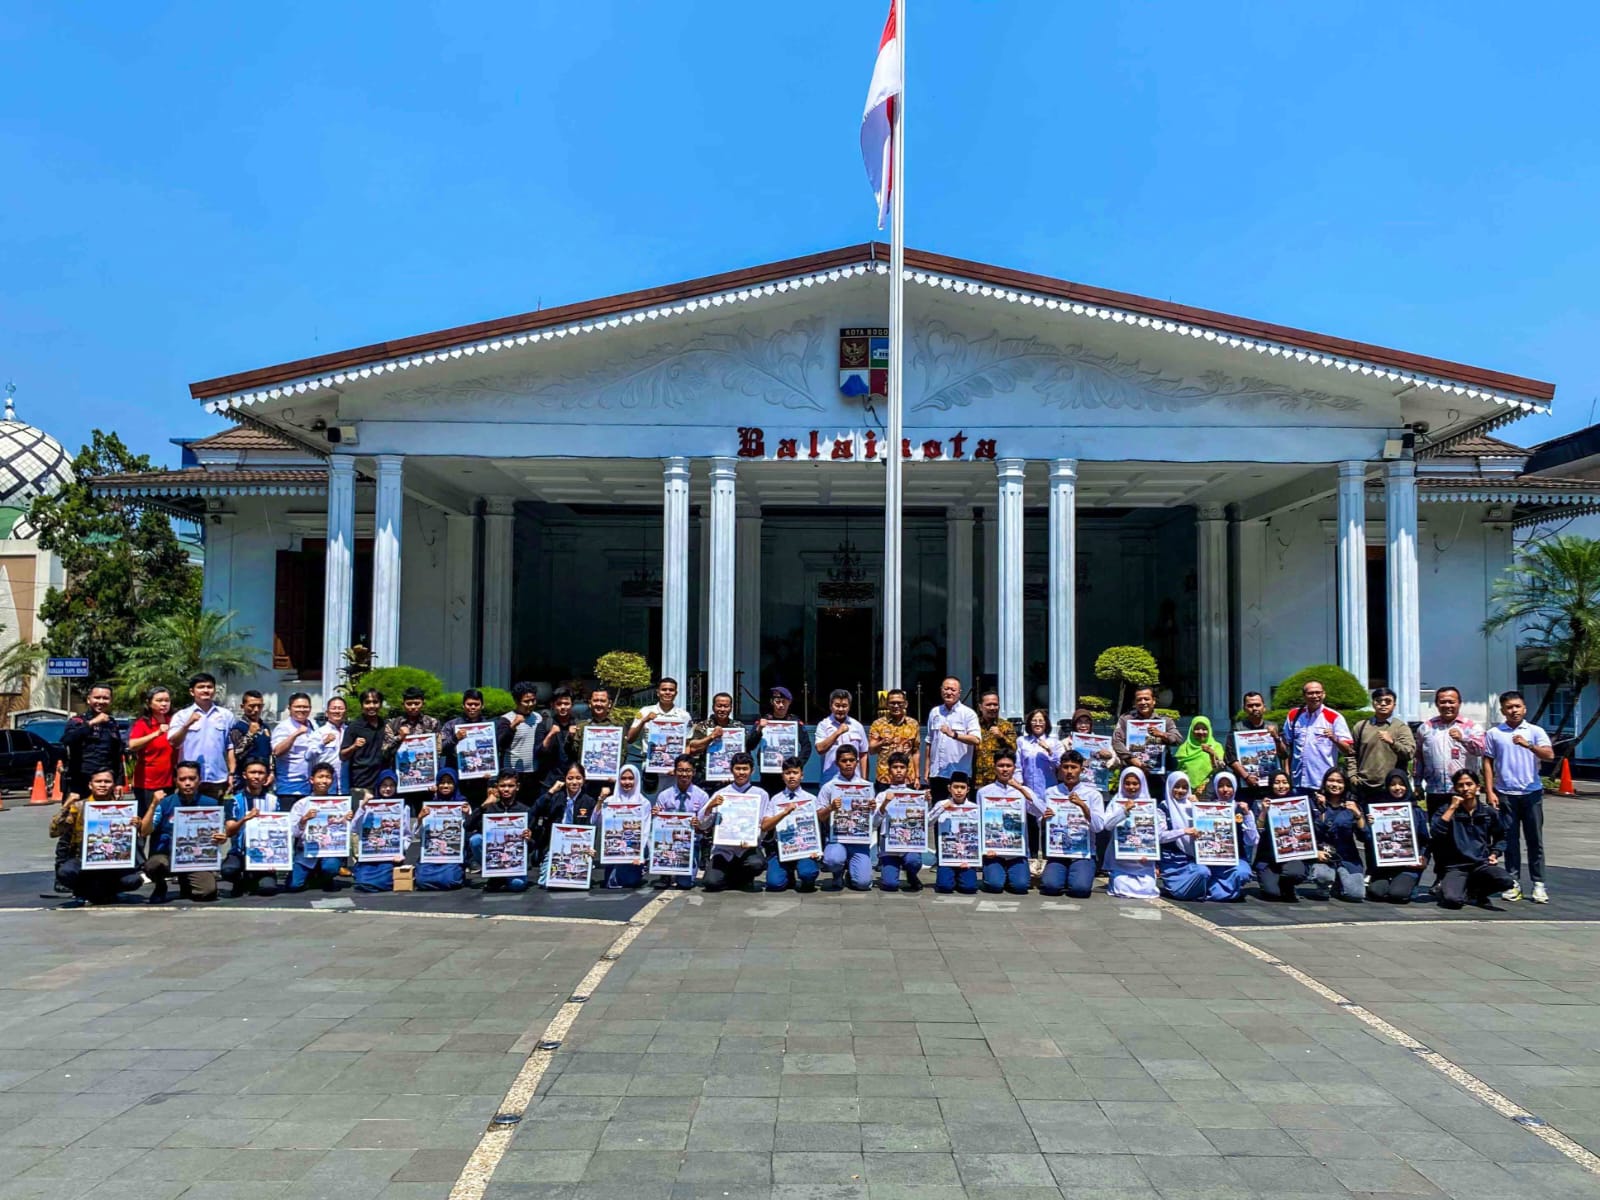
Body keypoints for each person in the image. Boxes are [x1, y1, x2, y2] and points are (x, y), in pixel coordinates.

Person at [1482, 690, 1554, 903]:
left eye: (1517, 706)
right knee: (1510, 840)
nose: (1513, 711)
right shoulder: (1495, 733)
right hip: (1506, 794)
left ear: (1524, 708)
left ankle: (1539, 884)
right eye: (1509, 707)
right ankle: (1513, 883)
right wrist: (1489, 790)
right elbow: (1487, 762)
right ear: (1503, 710)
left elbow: (1549, 755)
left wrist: (1529, 745)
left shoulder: (1535, 731)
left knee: (1535, 840)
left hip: (1531, 793)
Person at [52, 768, 144, 904]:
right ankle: (81, 890)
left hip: (113, 862)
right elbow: (54, 831)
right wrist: (66, 805)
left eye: (107, 782)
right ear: (90, 785)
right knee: (66, 872)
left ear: (113, 785)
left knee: (134, 880)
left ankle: (110, 891)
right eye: (98, 781)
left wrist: (138, 825)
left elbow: (137, 837)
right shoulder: (78, 807)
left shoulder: (123, 809)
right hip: (82, 860)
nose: (102, 785)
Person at [140, 760, 224, 903]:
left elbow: (218, 835)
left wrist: (221, 838)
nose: (187, 783)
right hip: (166, 856)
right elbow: (144, 832)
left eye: (192, 778)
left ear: (199, 780)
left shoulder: (211, 804)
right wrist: (153, 804)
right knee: (154, 864)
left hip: (195, 859)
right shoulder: (165, 803)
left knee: (207, 892)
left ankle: (186, 881)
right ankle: (160, 886)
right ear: (175, 780)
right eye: (182, 779)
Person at [1432, 770, 1513, 909]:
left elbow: (1501, 837)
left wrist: (1495, 853)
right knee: (1453, 901)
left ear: (1478, 787)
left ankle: (1474, 893)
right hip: (1455, 866)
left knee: (1506, 881)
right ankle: (1447, 887)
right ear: (1455, 789)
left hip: (1480, 863)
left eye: (1469, 784)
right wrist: (1452, 807)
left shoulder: (1488, 812)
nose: (1465, 789)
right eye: (1460, 785)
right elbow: (1436, 832)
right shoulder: (1446, 810)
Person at [698, 752, 768, 892]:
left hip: (747, 848)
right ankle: (732, 878)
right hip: (723, 850)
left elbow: (763, 825)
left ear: (752, 771)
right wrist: (710, 807)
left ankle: (742, 877)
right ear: (731, 770)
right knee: (711, 883)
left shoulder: (760, 794)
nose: (741, 772)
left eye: (745, 769)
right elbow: (702, 824)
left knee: (757, 864)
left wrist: (753, 838)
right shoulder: (721, 793)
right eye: (738, 768)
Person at [1039, 750, 1100, 899]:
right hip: (1058, 851)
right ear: (1060, 769)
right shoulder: (1050, 792)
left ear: (1082, 770)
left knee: (1080, 890)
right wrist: (1043, 819)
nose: (1069, 771)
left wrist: (1084, 807)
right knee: (1050, 886)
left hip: (1083, 853)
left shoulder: (1092, 794)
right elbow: (1040, 823)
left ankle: (1076, 873)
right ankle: (1063, 874)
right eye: (1066, 767)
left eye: (1074, 767)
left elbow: (1098, 827)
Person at [1416, 686, 1485, 810]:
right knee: (1438, 828)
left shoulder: (1472, 727)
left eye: (1451, 702)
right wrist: (1417, 784)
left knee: (1466, 828)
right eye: (1443, 702)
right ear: (1436, 704)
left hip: (1464, 791)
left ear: (1459, 703)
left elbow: (1481, 750)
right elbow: (1419, 758)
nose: (1447, 705)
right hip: (1435, 790)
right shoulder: (1426, 728)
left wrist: (1463, 739)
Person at [816, 744, 874, 891]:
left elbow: (873, 821)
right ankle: (837, 872)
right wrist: (831, 808)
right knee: (832, 860)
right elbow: (819, 817)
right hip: (837, 838)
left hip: (859, 840)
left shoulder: (866, 787)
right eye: (844, 760)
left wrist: (873, 809)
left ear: (856, 762)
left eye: (851, 760)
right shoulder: (829, 787)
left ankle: (851, 872)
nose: (848, 764)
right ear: (837, 763)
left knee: (863, 884)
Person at [1365, 769, 1429, 904]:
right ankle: (1387, 881)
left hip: (1408, 866)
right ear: (1387, 787)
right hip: (1385, 866)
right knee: (1375, 892)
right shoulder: (1378, 811)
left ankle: (1411, 885)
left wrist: (1423, 858)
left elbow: (1425, 840)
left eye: (1401, 784)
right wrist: (1370, 825)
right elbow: (1366, 839)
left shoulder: (1416, 811)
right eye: (1393, 784)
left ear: (1407, 786)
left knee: (1398, 894)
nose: (1397, 788)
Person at [169, 673, 235, 797]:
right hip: (189, 780)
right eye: (201, 687)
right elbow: (174, 742)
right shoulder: (182, 715)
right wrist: (186, 725)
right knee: (187, 815)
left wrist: (231, 774)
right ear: (192, 691)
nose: (205, 690)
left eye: (209, 687)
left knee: (217, 815)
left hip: (217, 779)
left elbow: (230, 747)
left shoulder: (226, 715)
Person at [221, 757, 279, 897]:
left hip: (265, 853)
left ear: (266, 776)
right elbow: (229, 831)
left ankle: (256, 878)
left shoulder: (273, 800)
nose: (257, 776)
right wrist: (245, 819)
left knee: (268, 889)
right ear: (245, 775)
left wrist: (278, 858)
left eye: (260, 773)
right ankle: (241, 881)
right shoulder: (234, 800)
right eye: (253, 772)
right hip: (240, 851)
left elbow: (280, 830)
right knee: (228, 870)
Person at [762, 756, 821, 892]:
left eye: (795, 772)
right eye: (787, 773)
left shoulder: (811, 799)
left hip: (805, 849)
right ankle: (788, 875)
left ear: (802, 775)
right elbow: (765, 826)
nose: (791, 776)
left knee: (808, 873)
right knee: (774, 884)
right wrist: (784, 813)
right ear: (782, 776)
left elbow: (819, 827)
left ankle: (808, 879)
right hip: (782, 848)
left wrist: (816, 850)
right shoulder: (775, 799)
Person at [976, 749, 1032, 895]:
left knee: (1020, 887)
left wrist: (1020, 788)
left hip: (1017, 852)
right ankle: (997, 873)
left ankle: (1011, 874)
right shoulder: (984, 792)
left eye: (1008, 765)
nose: (1005, 769)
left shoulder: (1023, 791)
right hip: (994, 852)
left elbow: (1041, 811)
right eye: (1001, 765)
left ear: (1014, 768)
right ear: (994, 767)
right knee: (995, 886)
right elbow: (979, 822)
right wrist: (983, 850)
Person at [469, 771, 535, 892]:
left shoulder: (525, 810)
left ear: (517, 787)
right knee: (475, 840)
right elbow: (467, 826)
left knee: (517, 885)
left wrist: (528, 838)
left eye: (510, 786)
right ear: (497, 787)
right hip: (495, 854)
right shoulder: (490, 808)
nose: (506, 789)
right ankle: (495, 875)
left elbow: (533, 846)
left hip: (515, 861)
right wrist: (483, 806)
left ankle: (500, 878)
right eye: (502, 786)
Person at [1102, 767, 1161, 899]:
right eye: (1127, 783)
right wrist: (1123, 811)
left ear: (1142, 784)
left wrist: (1152, 854)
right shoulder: (1116, 801)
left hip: (1143, 860)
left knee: (1148, 887)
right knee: (1121, 885)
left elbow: (1156, 832)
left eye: (1135, 783)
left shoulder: (1149, 803)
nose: (1131, 787)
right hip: (1121, 860)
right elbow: (1107, 825)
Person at [286, 762, 347, 892]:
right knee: (294, 886)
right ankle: (312, 876)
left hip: (330, 850)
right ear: (312, 780)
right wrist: (303, 820)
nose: (324, 781)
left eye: (328, 777)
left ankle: (325, 877)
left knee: (330, 868)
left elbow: (346, 831)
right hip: (307, 851)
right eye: (321, 777)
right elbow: (292, 833)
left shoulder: (339, 804)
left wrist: (347, 820)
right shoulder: (301, 804)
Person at [1284, 679, 1353, 792]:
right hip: (1297, 781)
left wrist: (1335, 739)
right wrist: (1287, 773)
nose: (1315, 696)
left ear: (1324, 694)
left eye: (1318, 692)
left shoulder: (1334, 717)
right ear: (1304, 696)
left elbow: (1348, 750)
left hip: (1322, 783)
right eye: (1310, 693)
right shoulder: (1294, 715)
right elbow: (1287, 747)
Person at [1253, 770, 1312, 901]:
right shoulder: (1263, 803)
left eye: (1285, 782)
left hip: (1291, 856)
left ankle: (1288, 884)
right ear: (1271, 785)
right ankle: (1274, 882)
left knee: (1295, 873)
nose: (1281, 786)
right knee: (1272, 893)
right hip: (1268, 858)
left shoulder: (1299, 804)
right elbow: (1258, 830)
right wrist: (1263, 811)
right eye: (1277, 783)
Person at [1351, 688, 1417, 803]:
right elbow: (1350, 753)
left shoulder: (1401, 728)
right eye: (1378, 701)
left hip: (1392, 787)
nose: (1383, 704)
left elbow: (1409, 753)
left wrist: (1392, 742)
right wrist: (1352, 775)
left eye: (1388, 701)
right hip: (1364, 785)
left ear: (1394, 704)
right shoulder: (1361, 727)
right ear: (1373, 703)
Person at [873, 751, 927, 892]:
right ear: (889, 770)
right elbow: (874, 824)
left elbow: (925, 823)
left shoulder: (916, 796)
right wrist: (884, 804)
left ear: (907, 770)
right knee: (890, 885)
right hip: (889, 846)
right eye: (895, 767)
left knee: (913, 861)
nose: (898, 770)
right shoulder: (882, 795)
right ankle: (891, 869)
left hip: (909, 844)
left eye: (902, 767)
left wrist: (927, 802)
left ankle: (911, 873)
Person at [536, 763, 601, 880]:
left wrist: (590, 847)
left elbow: (591, 828)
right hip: (556, 847)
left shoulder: (589, 801)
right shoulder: (556, 798)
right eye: (570, 778)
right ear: (564, 779)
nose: (574, 782)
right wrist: (551, 791)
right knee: (547, 880)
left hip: (579, 849)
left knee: (577, 878)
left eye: (578, 778)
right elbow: (536, 810)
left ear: (584, 780)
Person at [651, 755, 708, 889]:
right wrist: (655, 815)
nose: (684, 774)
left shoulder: (702, 796)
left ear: (693, 772)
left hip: (691, 843)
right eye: (680, 770)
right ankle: (665, 873)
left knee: (685, 883)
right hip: (668, 843)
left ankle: (686, 869)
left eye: (688, 770)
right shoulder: (664, 795)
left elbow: (704, 827)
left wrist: (698, 823)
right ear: (675, 772)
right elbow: (657, 825)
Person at [1309, 767, 1365, 902]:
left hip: (1347, 856)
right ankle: (1324, 884)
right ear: (1324, 782)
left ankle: (1339, 882)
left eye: (1339, 782)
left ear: (1345, 784)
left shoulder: (1352, 805)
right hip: (1323, 853)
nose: (1335, 785)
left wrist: (1358, 814)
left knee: (1356, 895)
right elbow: (1313, 831)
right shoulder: (1314, 803)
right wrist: (1321, 809)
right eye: (1331, 781)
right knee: (1323, 876)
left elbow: (1364, 836)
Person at [746, 685, 813, 792]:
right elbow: (749, 745)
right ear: (772, 702)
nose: (781, 705)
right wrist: (759, 730)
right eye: (777, 701)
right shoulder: (764, 720)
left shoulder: (795, 722)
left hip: (789, 772)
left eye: (784, 701)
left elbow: (807, 746)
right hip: (768, 772)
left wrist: (797, 764)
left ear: (789, 702)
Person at [352, 770, 410, 892]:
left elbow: (406, 835)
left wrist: (401, 851)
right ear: (378, 786)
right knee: (362, 882)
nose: (388, 789)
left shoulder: (403, 807)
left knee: (381, 881)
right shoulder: (368, 805)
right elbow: (355, 828)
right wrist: (362, 807)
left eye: (391, 785)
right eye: (384, 785)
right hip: (370, 856)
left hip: (390, 856)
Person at [924, 676, 980, 802]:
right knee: (938, 810)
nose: (949, 692)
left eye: (953, 690)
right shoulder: (935, 712)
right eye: (946, 689)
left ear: (959, 693)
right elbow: (929, 742)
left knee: (958, 813)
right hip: (937, 773)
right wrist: (927, 768)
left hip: (959, 773)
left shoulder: (968, 713)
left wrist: (954, 735)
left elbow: (976, 739)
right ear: (941, 690)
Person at [1111, 688, 1180, 789]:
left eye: (1146, 699)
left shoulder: (1165, 721)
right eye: (1139, 699)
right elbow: (1116, 741)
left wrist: (1162, 734)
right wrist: (1131, 759)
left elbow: (1177, 739)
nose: (1143, 702)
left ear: (1154, 700)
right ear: (1135, 702)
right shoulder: (1126, 719)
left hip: (1157, 775)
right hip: (1132, 775)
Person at [62, 682, 123, 797]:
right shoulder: (77, 721)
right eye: (97, 697)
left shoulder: (112, 723)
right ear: (89, 699)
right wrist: (92, 723)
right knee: (74, 814)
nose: (100, 701)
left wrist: (119, 782)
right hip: (80, 780)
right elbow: (67, 740)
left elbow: (117, 755)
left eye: (105, 698)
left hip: (105, 781)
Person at [627, 677, 687, 793]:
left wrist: (680, 766)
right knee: (649, 804)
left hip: (673, 769)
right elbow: (630, 738)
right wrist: (644, 720)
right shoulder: (644, 711)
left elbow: (687, 744)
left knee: (670, 804)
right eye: (664, 689)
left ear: (676, 693)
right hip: (650, 767)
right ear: (658, 692)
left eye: (671, 690)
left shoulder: (683, 715)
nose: (667, 692)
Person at [126, 686, 175, 820]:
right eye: (159, 700)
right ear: (149, 703)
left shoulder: (174, 721)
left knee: (165, 821)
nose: (164, 704)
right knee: (146, 819)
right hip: (148, 782)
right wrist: (157, 733)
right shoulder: (142, 723)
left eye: (167, 700)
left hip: (170, 780)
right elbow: (132, 745)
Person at [416, 768, 468, 891]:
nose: (445, 785)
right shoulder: (430, 805)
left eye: (449, 782)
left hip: (452, 857)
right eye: (442, 782)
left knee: (450, 880)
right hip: (432, 856)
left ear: (455, 784)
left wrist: (468, 815)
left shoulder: (462, 803)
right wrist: (420, 818)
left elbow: (469, 830)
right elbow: (420, 834)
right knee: (421, 880)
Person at [1227, 691, 1286, 802]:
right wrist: (1247, 777)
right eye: (1250, 706)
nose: (1254, 708)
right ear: (1244, 708)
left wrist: (1276, 738)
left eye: (1257, 705)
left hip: (1271, 785)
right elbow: (1231, 757)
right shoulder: (1237, 728)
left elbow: (1284, 754)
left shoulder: (1274, 727)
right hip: (1247, 786)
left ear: (1264, 707)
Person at [596, 765, 648, 889]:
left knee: (629, 881)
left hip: (632, 852)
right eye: (623, 778)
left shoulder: (644, 802)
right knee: (611, 882)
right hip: (614, 853)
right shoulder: (610, 801)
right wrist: (600, 800)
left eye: (631, 778)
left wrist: (639, 855)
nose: (627, 782)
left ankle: (640, 868)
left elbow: (645, 831)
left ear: (636, 780)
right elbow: (596, 822)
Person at [931, 772, 979, 895]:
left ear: (968, 789)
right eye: (956, 787)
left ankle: (960, 877)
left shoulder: (974, 808)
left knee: (969, 888)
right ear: (949, 788)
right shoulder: (941, 804)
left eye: (962, 788)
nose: (959, 791)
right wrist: (941, 809)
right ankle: (950, 876)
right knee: (944, 887)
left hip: (966, 856)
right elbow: (927, 823)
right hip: (948, 855)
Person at [496, 683, 544, 800]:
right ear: (517, 702)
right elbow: (500, 744)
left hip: (533, 772)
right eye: (526, 701)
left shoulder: (538, 718)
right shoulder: (506, 719)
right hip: (512, 773)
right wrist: (513, 726)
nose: (531, 704)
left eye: (533, 700)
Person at [271, 692, 321, 803]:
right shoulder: (283, 727)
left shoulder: (313, 725)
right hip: (289, 789)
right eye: (298, 707)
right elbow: (277, 751)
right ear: (289, 708)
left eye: (305, 707)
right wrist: (295, 734)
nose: (302, 710)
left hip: (309, 788)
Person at [341, 688, 388, 803]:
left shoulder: (386, 726)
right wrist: (354, 746)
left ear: (380, 704)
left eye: (375, 702)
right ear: (362, 705)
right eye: (367, 702)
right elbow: (342, 755)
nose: (371, 706)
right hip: (361, 782)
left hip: (383, 782)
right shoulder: (354, 727)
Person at [814, 690, 869, 783]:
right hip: (830, 780)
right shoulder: (823, 725)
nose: (840, 709)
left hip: (854, 781)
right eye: (837, 705)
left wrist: (864, 779)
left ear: (849, 707)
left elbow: (863, 754)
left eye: (844, 706)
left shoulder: (857, 725)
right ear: (831, 706)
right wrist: (838, 732)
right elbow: (820, 749)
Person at [868, 688, 921, 784]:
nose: (896, 706)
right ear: (887, 704)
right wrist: (881, 743)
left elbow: (915, 752)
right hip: (884, 777)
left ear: (905, 704)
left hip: (907, 778)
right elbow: (871, 750)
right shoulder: (878, 724)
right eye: (892, 703)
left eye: (899, 703)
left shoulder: (913, 724)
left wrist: (917, 777)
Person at [534, 686, 580, 791]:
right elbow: (538, 752)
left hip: (573, 780)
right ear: (553, 705)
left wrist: (574, 737)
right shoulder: (544, 724)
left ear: (572, 705)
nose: (563, 707)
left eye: (566, 704)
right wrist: (550, 734)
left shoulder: (578, 725)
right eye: (559, 704)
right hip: (548, 780)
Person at [385, 686, 442, 769]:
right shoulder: (393, 724)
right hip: (400, 771)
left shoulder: (433, 723)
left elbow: (438, 751)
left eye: (417, 703)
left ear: (423, 703)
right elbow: (385, 753)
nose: (413, 707)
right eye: (409, 704)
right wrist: (399, 738)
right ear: (403, 704)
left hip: (426, 769)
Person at [688, 692, 742, 779]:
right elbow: (693, 748)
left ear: (731, 708)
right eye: (719, 706)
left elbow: (746, 749)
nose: (722, 709)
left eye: (726, 706)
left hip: (732, 777)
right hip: (705, 776)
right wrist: (711, 736)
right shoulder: (703, 725)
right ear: (713, 707)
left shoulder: (738, 726)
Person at [226, 691, 272, 791]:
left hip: (263, 777)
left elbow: (271, 752)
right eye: (252, 706)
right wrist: (250, 734)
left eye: (259, 706)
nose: (256, 710)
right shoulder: (238, 728)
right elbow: (237, 752)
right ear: (243, 706)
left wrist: (271, 771)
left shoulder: (265, 727)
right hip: (244, 778)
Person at [1016, 709, 1062, 805]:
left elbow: (1061, 765)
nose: (1037, 724)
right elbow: (1018, 766)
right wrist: (1019, 784)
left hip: (1048, 790)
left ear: (1046, 723)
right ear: (1029, 723)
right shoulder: (1021, 741)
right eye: (1034, 721)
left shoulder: (1055, 742)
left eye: (1041, 721)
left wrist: (1049, 751)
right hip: (1027, 791)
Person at [973, 690, 1017, 787]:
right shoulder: (973, 725)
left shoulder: (1006, 726)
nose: (992, 708)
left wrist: (1001, 737)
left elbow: (1013, 749)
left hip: (998, 781)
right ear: (980, 707)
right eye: (988, 705)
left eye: (995, 704)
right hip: (976, 779)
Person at [1173, 716, 1225, 797]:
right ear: (1191, 730)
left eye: (1204, 729)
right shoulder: (1184, 748)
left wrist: (1212, 754)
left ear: (1209, 730)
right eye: (1197, 729)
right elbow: (1178, 770)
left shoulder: (1216, 747)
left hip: (1208, 791)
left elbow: (1219, 769)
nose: (1200, 732)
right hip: (1185, 791)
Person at [315, 696, 350, 794]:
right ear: (327, 713)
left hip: (346, 783)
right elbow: (309, 755)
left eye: (341, 708)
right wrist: (323, 742)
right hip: (326, 784)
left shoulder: (350, 731)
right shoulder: (319, 732)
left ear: (346, 712)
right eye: (334, 708)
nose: (337, 711)